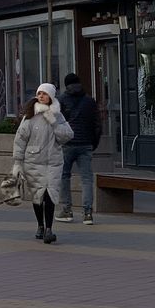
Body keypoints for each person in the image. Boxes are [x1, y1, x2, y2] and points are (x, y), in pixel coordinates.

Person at [11, 82, 74, 245]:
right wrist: (18, 162)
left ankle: (49, 229)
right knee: (38, 196)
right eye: (39, 93)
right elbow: (20, 139)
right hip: (34, 161)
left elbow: (67, 136)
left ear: (51, 96)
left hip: (53, 162)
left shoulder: (58, 115)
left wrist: (54, 122)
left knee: (50, 195)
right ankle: (40, 225)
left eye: (44, 94)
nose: (41, 96)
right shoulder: (30, 115)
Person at [55, 74, 102, 226]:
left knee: (64, 176)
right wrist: (93, 143)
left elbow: (55, 123)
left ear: (66, 84)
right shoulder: (90, 101)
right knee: (87, 179)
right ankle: (87, 213)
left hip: (67, 144)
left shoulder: (61, 101)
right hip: (86, 144)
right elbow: (97, 125)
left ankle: (67, 210)